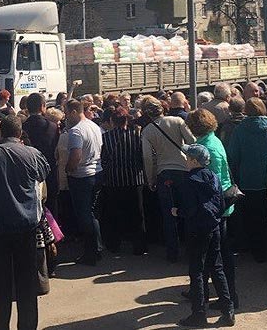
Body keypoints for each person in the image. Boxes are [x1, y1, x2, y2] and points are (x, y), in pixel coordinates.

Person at [0, 115, 50, 330]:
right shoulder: (33, 154)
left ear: (0, 133)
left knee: (0, 286)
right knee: (26, 284)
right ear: (20, 132)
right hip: (26, 227)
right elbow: (42, 180)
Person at [175, 144, 235, 328]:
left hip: (196, 229)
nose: (185, 160)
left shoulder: (188, 180)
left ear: (194, 160)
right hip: (214, 226)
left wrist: (178, 212)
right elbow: (221, 202)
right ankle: (228, 310)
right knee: (216, 267)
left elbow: (190, 208)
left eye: (187, 158)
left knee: (197, 271)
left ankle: (199, 314)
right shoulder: (214, 177)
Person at [185, 108, 238, 309]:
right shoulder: (212, 141)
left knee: (218, 257)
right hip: (219, 206)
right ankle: (208, 294)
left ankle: (227, 297)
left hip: (214, 209)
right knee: (216, 256)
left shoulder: (207, 147)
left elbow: (209, 182)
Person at [141, 99, 196, 263]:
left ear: (148, 114)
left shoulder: (147, 131)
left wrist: (150, 179)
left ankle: (172, 252)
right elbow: (192, 141)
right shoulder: (178, 121)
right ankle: (191, 248)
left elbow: (147, 157)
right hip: (183, 170)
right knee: (188, 210)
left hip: (164, 173)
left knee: (168, 214)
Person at [228, 97, 267, 263]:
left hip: (248, 180)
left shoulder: (239, 130)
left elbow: (233, 156)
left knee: (252, 217)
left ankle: (256, 250)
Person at [100, 107, 146, 255]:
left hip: (114, 181)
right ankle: (139, 246)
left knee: (116, 214)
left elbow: (104, 159)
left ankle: (115, 245)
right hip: (135, 180)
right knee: (137, 215)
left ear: (112, 121)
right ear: (127, 119)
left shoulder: (106, 137)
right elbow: (142, 155)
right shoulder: (137, 134)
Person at [65, 99, 104, 266]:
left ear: (74, 112)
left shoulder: (76, 131)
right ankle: (97, 248)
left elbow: (76, 155)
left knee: (84, 216)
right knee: (92, 214)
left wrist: (68, 169)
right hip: (97, 171)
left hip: (82, 176)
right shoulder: (94, 126)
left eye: (67, 113)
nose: (66, 117)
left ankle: (90, 253)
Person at [23, 93, 60, 215]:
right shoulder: (53, 127)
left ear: (27, 107)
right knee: (51, 206)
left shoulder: (22, 127)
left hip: (28, 173)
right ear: (43, 106)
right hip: (49, 171)